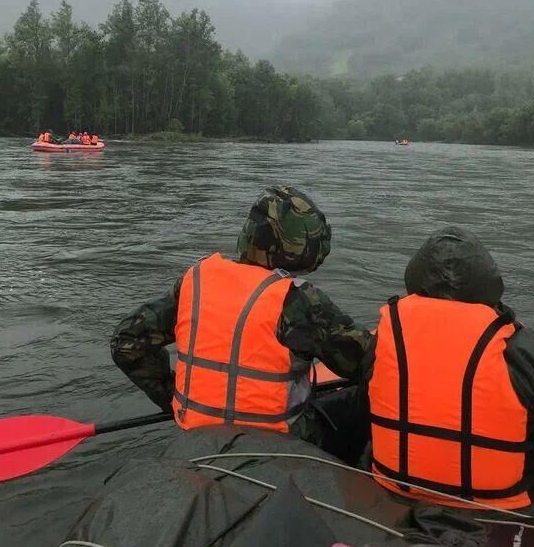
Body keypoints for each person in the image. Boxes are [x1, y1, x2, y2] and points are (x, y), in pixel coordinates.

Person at [111, 186, 372, 452]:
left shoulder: (195, 282)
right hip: (279, 443)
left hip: (196, 432)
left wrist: (174, 397)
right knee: (359, 404)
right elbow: (370, 363)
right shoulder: (299, 300)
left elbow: (126, 343)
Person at [364, 226, 534, 513]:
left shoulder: (387, 335)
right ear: (487, 283)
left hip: (395, 488)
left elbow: (369, 403)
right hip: (498, 505)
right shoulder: (514, 344)